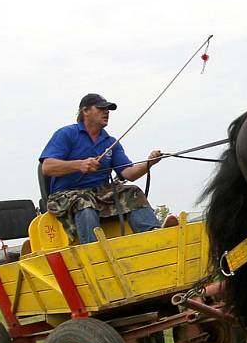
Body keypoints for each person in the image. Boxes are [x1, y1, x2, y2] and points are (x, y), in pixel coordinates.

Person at [39, 94, 163, 244]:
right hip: (66, 195)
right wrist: (79, 165)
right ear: (85, 111)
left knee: (133, 191)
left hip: (101, 193)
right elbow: (47, 167)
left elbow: (129, 173)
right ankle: (92, 248)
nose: (107, 112)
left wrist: (149, 163)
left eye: (108, 109)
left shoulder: (110, 142)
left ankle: (155, 236)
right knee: (84, 202)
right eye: (101, 108)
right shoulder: (67, 134)